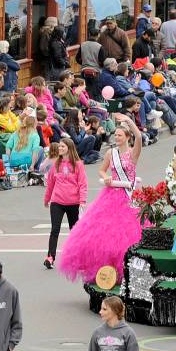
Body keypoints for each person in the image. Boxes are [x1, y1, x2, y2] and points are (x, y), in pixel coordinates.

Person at [58, 116, 142, 283]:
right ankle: (105, 271)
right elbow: (102, 171)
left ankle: (124, 270)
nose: (116, 137)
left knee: (126, 235)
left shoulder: (133, 152)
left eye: (119, 135)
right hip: (111, 195)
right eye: (115, 135)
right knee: (104, 235)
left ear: (127, 137)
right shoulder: (111, 153)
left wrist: (128, 121)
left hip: (129, 196)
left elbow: (139, 136)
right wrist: (106, 178)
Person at [43, 139, 88, 270]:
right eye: (59, 146)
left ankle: (78, 258)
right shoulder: (56, 164)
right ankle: (50, 257)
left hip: (73, 203)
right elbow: (50, 184)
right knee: (54, 230)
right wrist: (46, 200)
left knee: (74, 232)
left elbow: (82, 184)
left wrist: (82, 200)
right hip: (57, 202)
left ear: (69, 147)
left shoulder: (78, 164)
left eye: (62, 146)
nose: (60, 148)